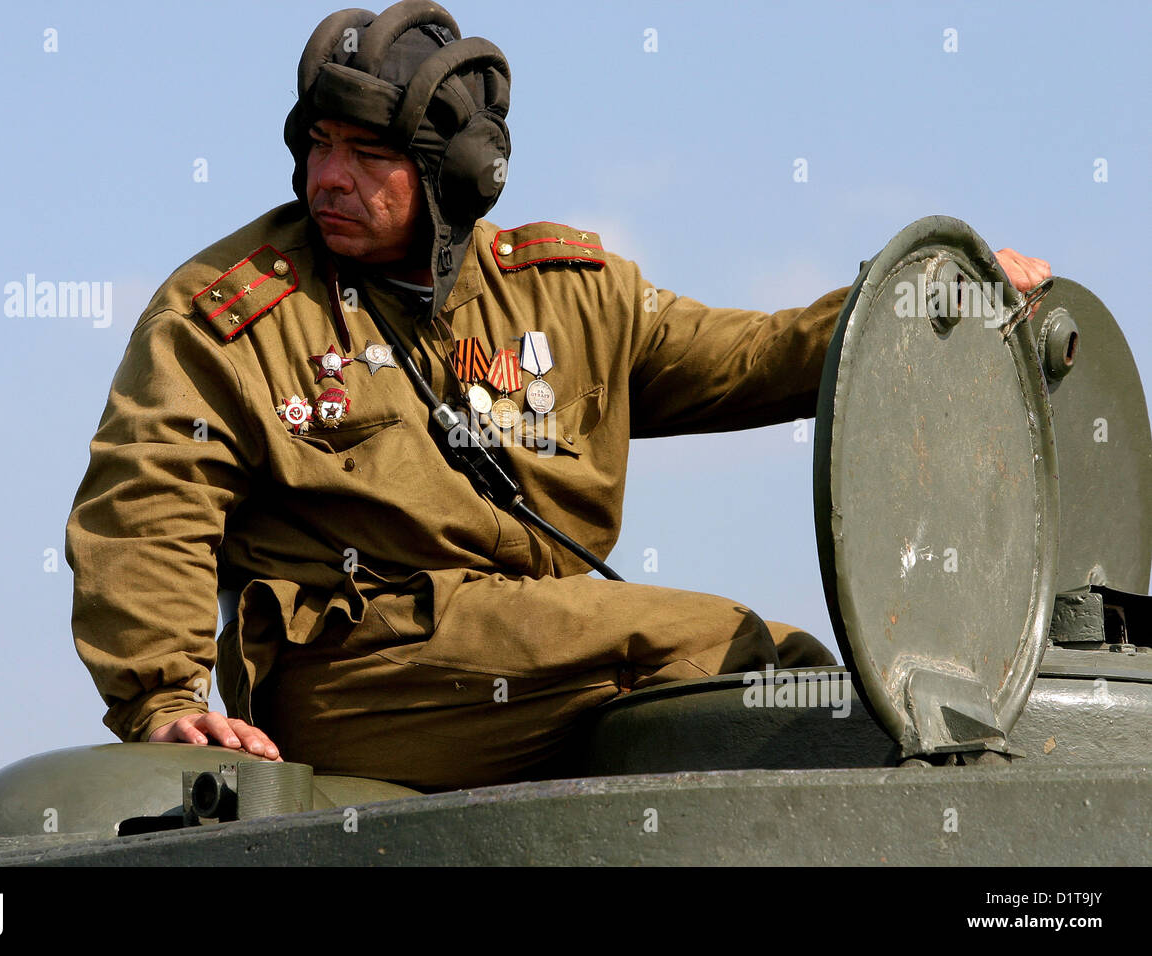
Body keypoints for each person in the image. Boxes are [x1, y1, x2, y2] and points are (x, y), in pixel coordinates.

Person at [65, 0, 1052, 791]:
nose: (328, 177)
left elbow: (754, 355)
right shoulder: (229, 311)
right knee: (740, 655)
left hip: (530, 635)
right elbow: (148, 501)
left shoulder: (567, 293)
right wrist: (161, 699)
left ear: (457, 171)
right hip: (355, 664)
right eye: (318, 145)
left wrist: (914, 306)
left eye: (366, 157)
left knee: (790, 676)